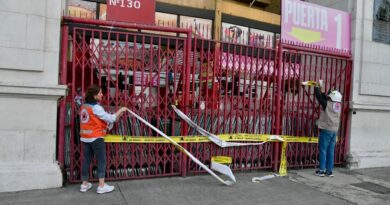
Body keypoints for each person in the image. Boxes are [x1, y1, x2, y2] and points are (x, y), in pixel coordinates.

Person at [79, 85, 127, 194]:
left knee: (86, 160)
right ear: (94, 96)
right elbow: (111, 118)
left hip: (85, 137)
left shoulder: (84, 106)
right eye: (100, 93)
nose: (102, 94)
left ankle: (84, 184)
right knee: (101, 160)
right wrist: (121, 110)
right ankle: (101, 186)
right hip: (96, 137)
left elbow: (96, 120)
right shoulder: (96, 108)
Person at [314, 80, 342, 177]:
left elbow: (319, 98)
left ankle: (322, 170)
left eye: (330, 96)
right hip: (334, 131)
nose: (328, 97)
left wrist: (316, 87)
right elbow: (325, 97)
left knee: (323, 150)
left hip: (326, 130)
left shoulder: (328, 105)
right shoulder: (338, 105)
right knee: (330, 151)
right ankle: (329, 171)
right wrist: (322, 90)